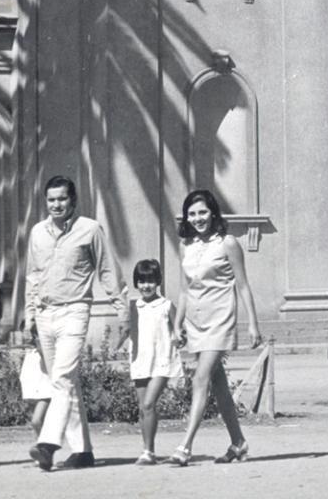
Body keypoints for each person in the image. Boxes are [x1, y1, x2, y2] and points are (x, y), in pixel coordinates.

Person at [24, 175, 125, 472]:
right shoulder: (37, 233)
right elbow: (33, 275)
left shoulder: (90, 229)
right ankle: (83, 451)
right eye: (51, 199)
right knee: (67, 383)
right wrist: (29, 313)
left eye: (62, 199)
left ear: (74, 201)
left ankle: (48, 443)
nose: (56, 204)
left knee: (63, 379)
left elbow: (108, 270)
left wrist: (123, 313)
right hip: (45, 314)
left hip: (75, 311)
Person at [170, 189, 262, 466]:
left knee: (200, 378)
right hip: (195, 320)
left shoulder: (228, 243)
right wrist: (177, 324)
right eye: (192, 213)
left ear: (213, 213)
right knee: (218, 384)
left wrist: (253, 324)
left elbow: (243, 285)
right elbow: (184, 289)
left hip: (220, 318)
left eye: (202, 212)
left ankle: (184, 447)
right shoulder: (186, 245)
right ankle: (238, 442)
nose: (198, 218)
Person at [117, 258, 183, 466]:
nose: (146, 285)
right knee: (144, 408)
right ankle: (149, 451)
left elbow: (180, 331)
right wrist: (116, 346)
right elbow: (126, 332)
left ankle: (147, 451)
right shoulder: (133, 307)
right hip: (140, 360)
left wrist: (180, 337)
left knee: (149, 403)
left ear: (158, 282)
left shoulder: (166, 305)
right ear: (136, 283)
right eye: (142, 281)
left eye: (151, 281)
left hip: (162, 360)